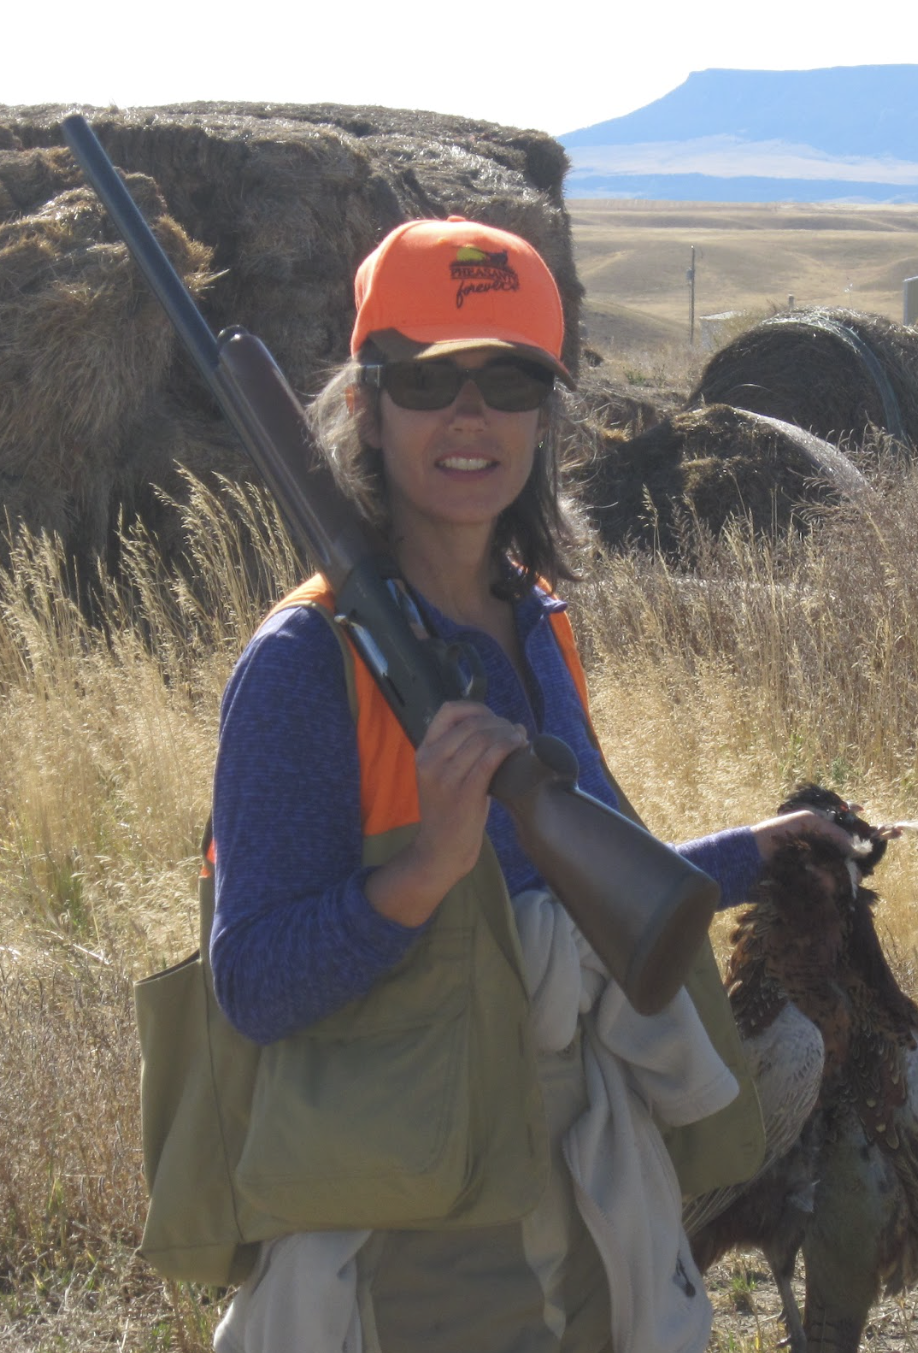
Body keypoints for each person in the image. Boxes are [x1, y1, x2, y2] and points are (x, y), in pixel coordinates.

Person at [205, 216, 851, 1353]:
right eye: (428, 380)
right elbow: (252, 984)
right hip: (410, 1213)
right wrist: (422, 875)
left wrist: (761, 850)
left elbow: (590, 895)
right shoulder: (305, 663)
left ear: (546, 411)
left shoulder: (538, 619)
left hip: (584, 1186)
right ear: (365, 404)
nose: (471, 417)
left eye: (509, 379)